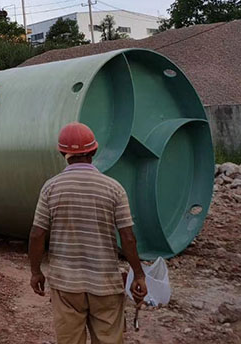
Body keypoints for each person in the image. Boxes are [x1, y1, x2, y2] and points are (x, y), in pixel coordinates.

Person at [29, 122, 147, 344]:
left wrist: (36, 272)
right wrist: (138, 274)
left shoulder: (51, 188)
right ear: (93, 151)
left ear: (63, 153)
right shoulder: (114, 189)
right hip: (105, 284)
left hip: (66, 285)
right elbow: (128, 238)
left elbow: (37, 234)